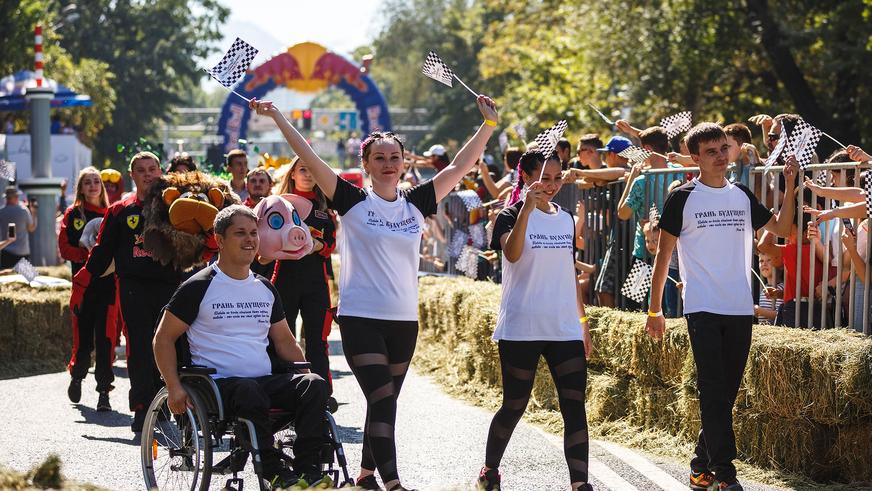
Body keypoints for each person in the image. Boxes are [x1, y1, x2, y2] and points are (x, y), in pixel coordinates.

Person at [250, 93, 498, 491]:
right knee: (382, 399)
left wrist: (487, 126)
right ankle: (394, 483)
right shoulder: (351, 201)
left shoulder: (417, 202)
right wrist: (278, 115)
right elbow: (308, 155)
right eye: (379, 158)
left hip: (404, 320)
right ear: (365, 165)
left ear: (403, 164)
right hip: (361, 317)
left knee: (385, 404)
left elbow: (458, 165)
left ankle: (365, 475)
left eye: (394, 158)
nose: (387, 164)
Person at [647, 123, 797, 491]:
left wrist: (791, 186)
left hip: (739, 308)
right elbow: (663, 256)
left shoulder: (742, 195)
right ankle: (725, 474)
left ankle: (700, 465)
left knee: (726, 392)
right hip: (701, 307)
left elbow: (783, 230)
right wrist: (655, 310)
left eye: (723, 149)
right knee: (713, 389)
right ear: (695, 158)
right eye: (711, 151)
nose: (720, 156)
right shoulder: (682, 197)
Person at [153, 205, 331, 489]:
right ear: (220, 239)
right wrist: (173, 386)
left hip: (263, 382)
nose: (249, 239)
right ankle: (273, 471)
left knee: (315, 384)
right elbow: (163, 338)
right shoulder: (197, 287)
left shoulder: (264, 288)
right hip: (217, 386)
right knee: (249, 390)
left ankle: (308, 471)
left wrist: (305, 373)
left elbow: (284, 341)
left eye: (253, 233)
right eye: (240, 233)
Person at [478, 151, 593, 491]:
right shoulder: (508, 216)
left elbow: (567, 271)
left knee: (574, 407)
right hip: (522, 327)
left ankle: (580, 483)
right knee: (514, 404)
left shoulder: (566, 218)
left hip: (563, 328)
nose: (553, 185)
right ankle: (490, 469)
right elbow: (511, 255)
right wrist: (526, 209)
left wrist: (582, 321)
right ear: (527, 178)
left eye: (559, 179)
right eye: (546, 178)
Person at [71, 152, 183, 433]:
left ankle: (172, 407)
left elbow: (199, 241)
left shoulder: (177, 207)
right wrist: (81, 283)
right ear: (132, 175)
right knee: (140, 349)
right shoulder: (120, 210)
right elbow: (101, 251)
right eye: (141, 170)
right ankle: (143, 409)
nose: (148, 174)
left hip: (171, 287)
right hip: (133, 288)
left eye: (153, 169)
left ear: (161, 172)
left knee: (175, 347)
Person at [270, 156, 338, 400]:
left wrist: (316, 244)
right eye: (302, 170)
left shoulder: (324, 209)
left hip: (315, 284)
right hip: (284, 280)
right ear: (292, 174)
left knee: (317, 342)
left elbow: (330, 244)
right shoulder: (277, 204)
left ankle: (321, 393)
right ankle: (281, 391)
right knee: (280, 340)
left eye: (312, 170)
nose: (308, 175)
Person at [59, 167, 117, 410]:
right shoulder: (73, 214)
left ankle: (104, 391)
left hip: (108, 287)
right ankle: (77, 375)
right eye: (88, 182)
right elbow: (65, 249)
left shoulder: (113, 214)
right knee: (83, 340)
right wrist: (88, 255)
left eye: (96, 181)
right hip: (83, 287)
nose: (93, 185)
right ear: (81, 188)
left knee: (106, 339)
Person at [0, 186, 36, 268]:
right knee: (25, 279)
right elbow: (31, 228)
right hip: (23, 252)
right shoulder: (24, 211)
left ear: (6, 198)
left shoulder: (1, 212)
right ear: (15, 197)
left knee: (7, 279)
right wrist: (34, 212)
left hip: (6, 251)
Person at [754, 253, 783, 326]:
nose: (764, 264)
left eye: (769, 260)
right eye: (761, 261)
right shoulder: (764, 288)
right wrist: (756, 312)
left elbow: (779, 314)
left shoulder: (781, 288)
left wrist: (759, 310)